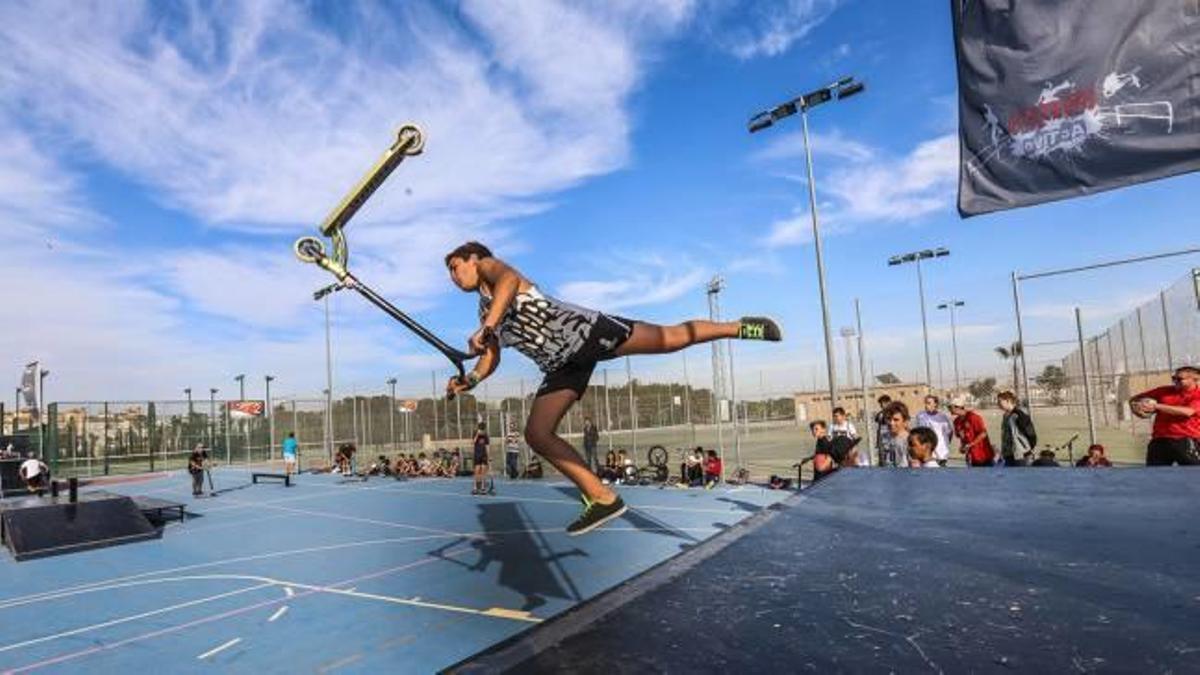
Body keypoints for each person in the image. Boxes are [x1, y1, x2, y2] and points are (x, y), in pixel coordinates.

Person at [443, 242, 782, 534]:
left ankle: (739, 327)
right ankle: (602, 497)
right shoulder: (485, 311)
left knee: (669, 338)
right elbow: (491, 357)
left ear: (474, 258)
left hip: (585, 333)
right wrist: (470, 379)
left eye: (456, 267)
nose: (453, 277)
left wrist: (488, 326)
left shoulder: (491, 270)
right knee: (537, 433)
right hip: (561, 365)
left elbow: (508, 281)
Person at [1130, 365, 1200, 466]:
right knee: (1155, 473)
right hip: (1160, 440)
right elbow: (1135, 399)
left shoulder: (1197, 395)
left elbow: (1187, 412)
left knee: (1193, 472)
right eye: (1174, 378)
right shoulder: (1164, 391)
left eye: (1179, 379)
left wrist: (1156, 406)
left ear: (1195, 379)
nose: (1175, 381)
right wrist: (1137, 409)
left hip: (1185, 440)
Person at [950, 396, 995, 467]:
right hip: (970, 457)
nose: (949, 409)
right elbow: (962, 437)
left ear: (958, 407)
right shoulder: (956, 421)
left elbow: (983, 433)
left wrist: (971, 444)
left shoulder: (973, 417)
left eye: (950, 407)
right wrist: (963, 447)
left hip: (983, 455)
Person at [997, 391, 1036, 467]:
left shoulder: (1019, 415)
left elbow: (1031, 434)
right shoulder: (1005, 416)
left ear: (1008, 401)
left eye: (1000, 401)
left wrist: (1026, 449)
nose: (998, 404)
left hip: (1020, 456)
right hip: (1008, 455)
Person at [914, 395, 954, 466]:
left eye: (929, 403)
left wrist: (945, 445)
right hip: (926, 452)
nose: (926, 405)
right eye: (925, 403)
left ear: (935, 404)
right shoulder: (920, 416)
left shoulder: (942, 417)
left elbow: (949, 433)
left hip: (940, 452)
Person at [879, 402, 911, 468]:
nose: (891, 423)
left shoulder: (909, 440)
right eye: (888, 419)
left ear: (905, 421)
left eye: (896, 420)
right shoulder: (884, 437)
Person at [871, 394, 893, 467]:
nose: (881, 405)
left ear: (888, 402)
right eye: (880, 403)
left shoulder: (893, 413)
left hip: (891, 438)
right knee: (882, 458)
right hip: (882, 439)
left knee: (892, 457)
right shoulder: (880, 414)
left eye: (883, 403)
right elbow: (877, 421)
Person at [471, 422, 491, 495]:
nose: (481, 430)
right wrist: (477, 434)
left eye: (482, 429)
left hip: (484, 454)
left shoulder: (485, 435)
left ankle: (483, 487)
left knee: (483, 471)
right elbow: (473, 442)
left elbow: (487, 446)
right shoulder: (475, 433)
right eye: (480, 428)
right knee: (477, 471)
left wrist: (489, 456)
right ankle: (475, 487)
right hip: (477, 454)